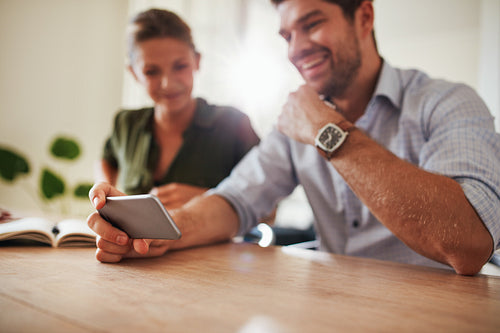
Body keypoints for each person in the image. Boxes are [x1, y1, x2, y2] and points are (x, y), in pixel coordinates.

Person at [88, 0, 500, 275]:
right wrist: (163, 230)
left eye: (312, 23)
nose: (296, 49)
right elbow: (235, 200)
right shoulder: (294, 125)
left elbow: (468, 242)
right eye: (287, 36)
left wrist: (329, 132)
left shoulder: (448, 102)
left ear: (364, 17)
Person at [96, 8, 260, 210]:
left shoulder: (234, 123)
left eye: (180, 66)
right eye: (151, 71)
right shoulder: (125, 123)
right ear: (134, 73)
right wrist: (106, 190)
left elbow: (269, 210)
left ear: (197, 61)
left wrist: (207, 199)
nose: (168, 83)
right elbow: (107, 158)